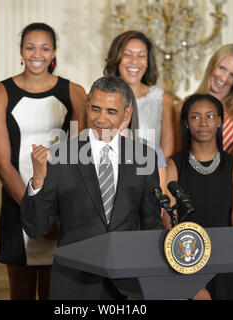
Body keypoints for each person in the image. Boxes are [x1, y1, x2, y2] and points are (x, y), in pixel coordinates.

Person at [21, 75, 164, 300]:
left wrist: (151, 280)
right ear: (87, 106)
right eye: (95, 109)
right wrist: (38, 179)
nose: (101, 119)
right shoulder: (60, 155)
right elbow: (37, 228)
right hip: (73, 285)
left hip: (128, 288)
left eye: (111, 111)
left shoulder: (144, 158)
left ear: (127, 113)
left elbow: (152, 224)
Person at [0, 22, 87, 300]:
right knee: (21, 294)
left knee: (57, 294)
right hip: (18, 206)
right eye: (30, 47)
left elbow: (81, 158)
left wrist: (55, 215)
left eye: (44, 48)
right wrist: (36, 213)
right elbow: (2, 165)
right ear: (21, 51)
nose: (37, 54)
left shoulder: (75, 92)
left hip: (63, 211)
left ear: (54, 52)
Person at [166, 93, 233, 299]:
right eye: (195, 117)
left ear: (220, 121)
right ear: (185, 123)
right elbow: (168, 225)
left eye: (210, 116)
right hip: (185, 264)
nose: (203, 123)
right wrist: (190, 281)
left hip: (226, 266)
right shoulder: (173, 166)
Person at [175, 44, 233, 153]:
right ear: (212, 65)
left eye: (232, 75)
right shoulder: (184, 106)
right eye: (222, 68)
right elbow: (175, 153)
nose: (224, 78)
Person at [104, 30, 176, 160]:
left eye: (141, 56)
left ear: (148, 61)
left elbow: (166, 154)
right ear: (117, 59)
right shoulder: (98, 98)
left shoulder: (163, 100)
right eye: (127, 54)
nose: (134, 61)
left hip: (151, 176)